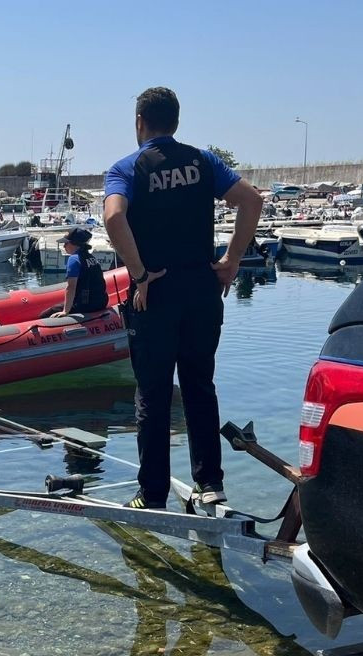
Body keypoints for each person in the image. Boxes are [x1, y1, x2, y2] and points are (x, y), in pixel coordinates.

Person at [103, 86, 264, 510]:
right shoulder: (203, 161)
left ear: (139, 123)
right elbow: (251, 200)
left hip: (155, 294)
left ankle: (152, 494)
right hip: (202, 290)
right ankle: (210, 483)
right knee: (199, 386)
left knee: (153, 396)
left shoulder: (127, 168)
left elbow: (114, 217)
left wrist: (139, 274)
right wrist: (231, 260)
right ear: (175, 122)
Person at [47, 227, 109, 317]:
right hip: (101, 303)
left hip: (85, 306)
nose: (64, 246)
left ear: (75, 244)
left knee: (47, 313)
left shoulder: (74, 259)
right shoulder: (91, 257)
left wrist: (65, 311)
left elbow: (71, 287)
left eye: (66, 243)